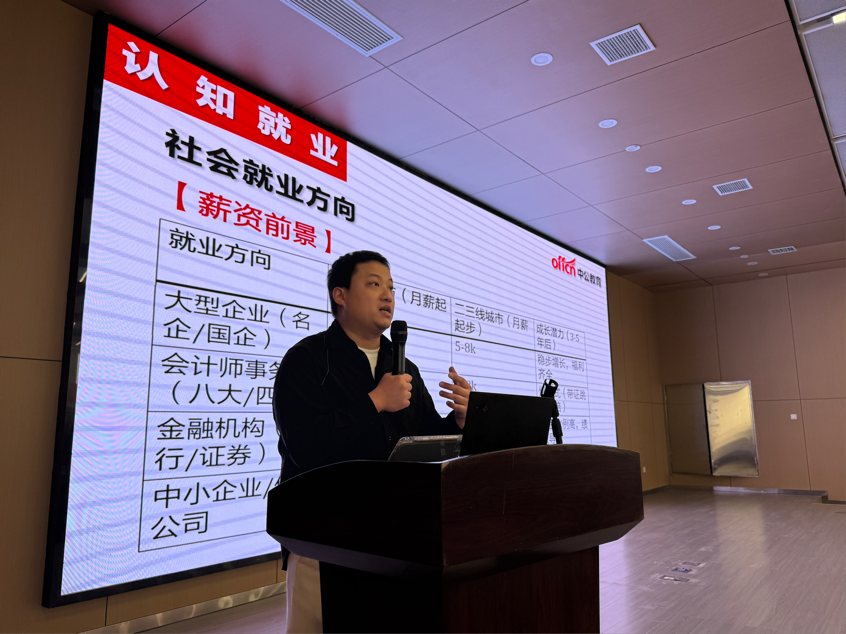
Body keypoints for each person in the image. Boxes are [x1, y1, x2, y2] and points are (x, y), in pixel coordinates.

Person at [272, 250, 471, 633]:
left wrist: (460, 422)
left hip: (396, 536)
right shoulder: (306, 360)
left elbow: (426, 440)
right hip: (322, 536)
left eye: (391, 287)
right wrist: (374, 402)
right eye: (374, 284)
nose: (387, 296)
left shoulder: (404, 368)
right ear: (340, 295)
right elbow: (305, 446)